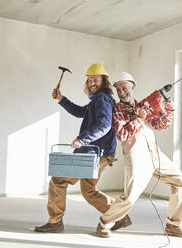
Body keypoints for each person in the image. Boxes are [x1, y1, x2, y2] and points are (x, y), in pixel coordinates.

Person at [35, 64, 131, 233]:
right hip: (102, 154)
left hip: (93, 152)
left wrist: (82, 139)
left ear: (104, 81)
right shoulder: (99, 99)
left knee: (58, 180)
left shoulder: (102, 99)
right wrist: (62, 99)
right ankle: (120, 217)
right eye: (90, 79)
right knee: (89, 191)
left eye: (96, 79)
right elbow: (81, 112)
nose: (92, 82)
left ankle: (55, 222)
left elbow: (104, 125)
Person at [96, 72, 182, 238]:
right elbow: (122, 135)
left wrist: (168, 111)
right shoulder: (118, 110)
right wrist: (139, 119)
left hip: (155, 154)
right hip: (136, 157)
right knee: (129, 197)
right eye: (118, 89)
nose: (121, 92)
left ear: (132, 87)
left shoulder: (144, 105)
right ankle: (104, 223)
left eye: (124, 88)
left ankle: (173, 225)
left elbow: (159, 124)